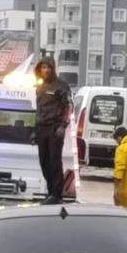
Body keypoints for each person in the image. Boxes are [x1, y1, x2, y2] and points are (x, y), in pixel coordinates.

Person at [33, 56, 72, 204]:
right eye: (44, 67)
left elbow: (69, 107)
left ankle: (57, 194)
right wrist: (35, 130)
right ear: (40, 69)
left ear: (53, 69)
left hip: (55, 129)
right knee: (44, 162)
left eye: (49, 67)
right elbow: (39, 110)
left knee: (54, 162)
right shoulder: (40, 86)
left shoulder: (61, 86)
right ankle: (50, 192)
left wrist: (63, 126)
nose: (46, 70)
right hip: (42, 129)